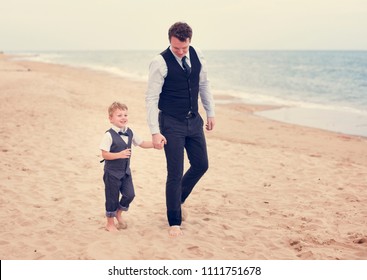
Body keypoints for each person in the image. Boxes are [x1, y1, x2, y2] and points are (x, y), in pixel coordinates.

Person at [145, 22, 215, 237]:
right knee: (174, 173)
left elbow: (203, 84)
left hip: (194, 120)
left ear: (189, 41)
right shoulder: (159, 62)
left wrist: (210, 112)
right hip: (170, 123)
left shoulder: (197, 54)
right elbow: (151, 97)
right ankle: (174, 221)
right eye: (177, 48)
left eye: (184, 47)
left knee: (201, 164)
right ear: (170, 41)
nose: (181, 51)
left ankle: (178, 199)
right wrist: (155, 131)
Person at [99, 102, 154, 232]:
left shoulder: (130, 132)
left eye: (125, 114)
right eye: (119, 115)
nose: (123, 117)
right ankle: (110, 223)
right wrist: (119, 154)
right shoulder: (108, 135)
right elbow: (104, 154)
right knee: (112, 197)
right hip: (111, 173)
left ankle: (119, 213)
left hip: (125, 172)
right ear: (111, 119)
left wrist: (156, 144)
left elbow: (143, 143)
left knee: (130, 194)